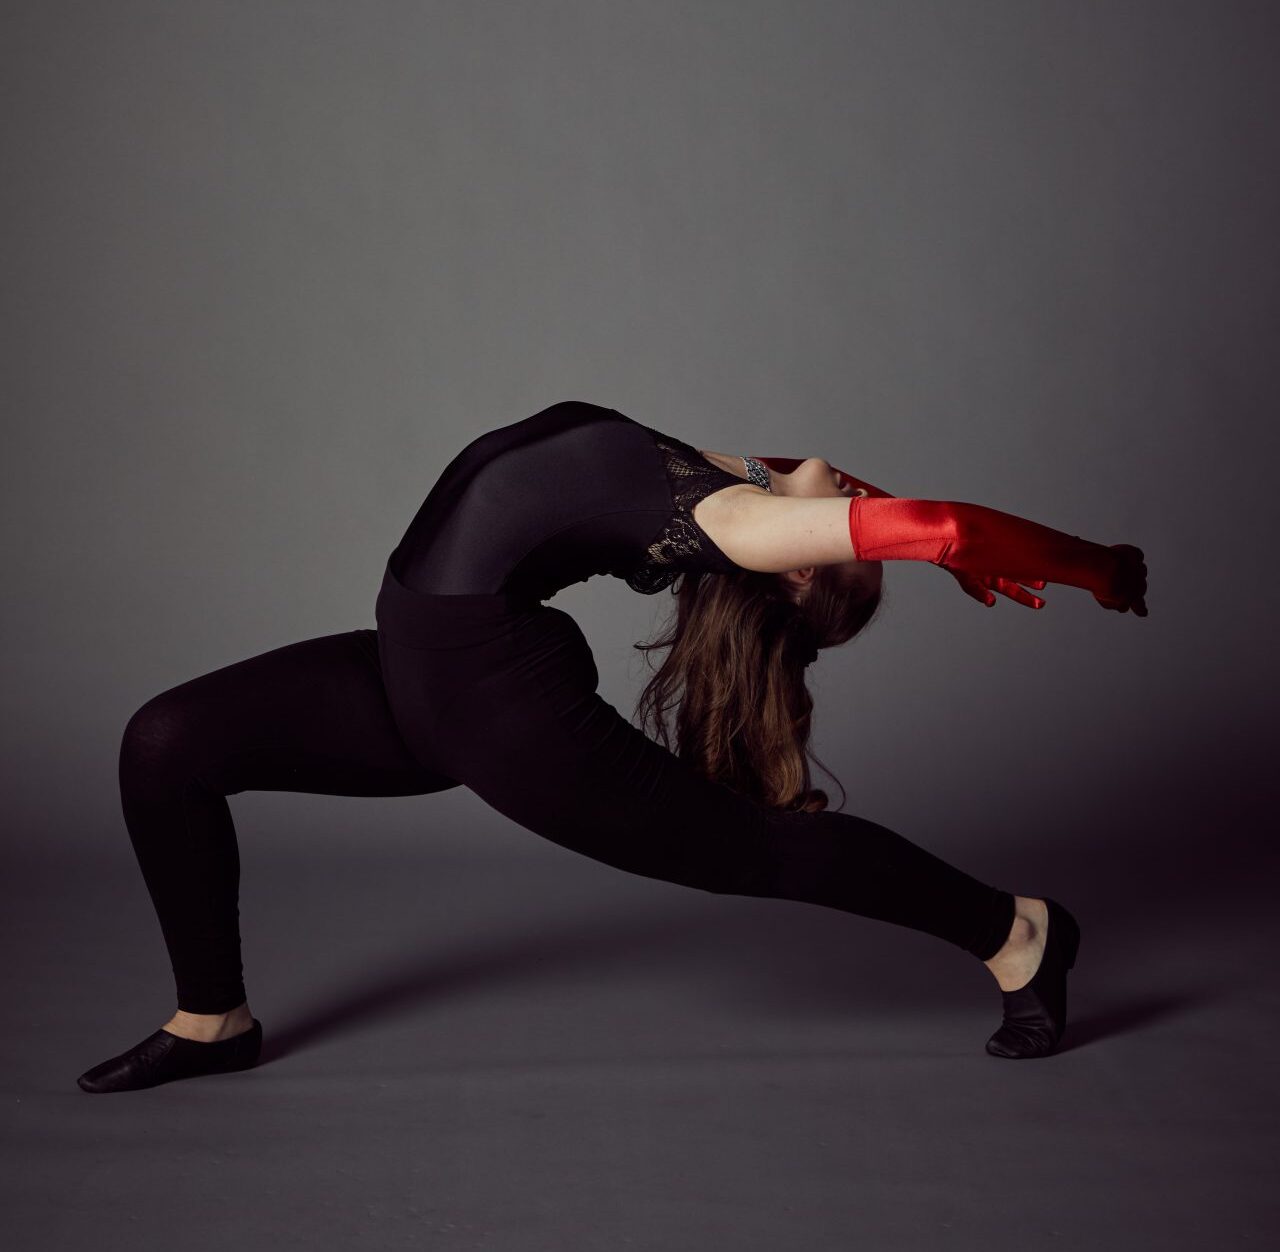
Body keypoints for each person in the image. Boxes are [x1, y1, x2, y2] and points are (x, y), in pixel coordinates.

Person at [77, 400, 1147, 1092]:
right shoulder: (737, 471)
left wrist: (1099, 569)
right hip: (422, 670)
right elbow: (876, 499)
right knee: (166, 744)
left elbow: (940, 525)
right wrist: (928, 542)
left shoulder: (746, 525)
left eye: (848, 533)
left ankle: (1016, 933)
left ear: (801, 569)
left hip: (496, 695)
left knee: (757, 851)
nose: (857, 492)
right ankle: (213, 1019)